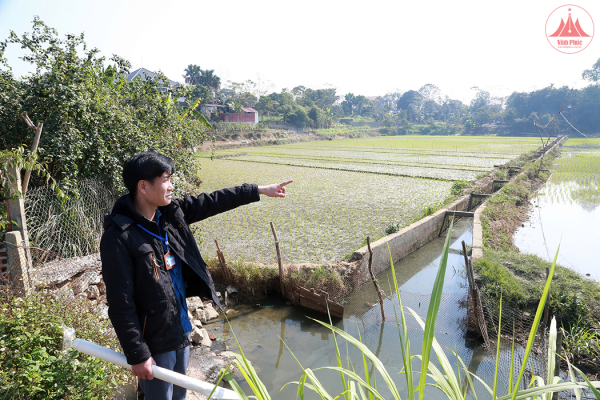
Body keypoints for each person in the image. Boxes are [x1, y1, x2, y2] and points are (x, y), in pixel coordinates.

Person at [100, 151, 292, 400]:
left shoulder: (169, 215)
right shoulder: (119, 237)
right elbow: (120, 304)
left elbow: (213, 200)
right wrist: (138, 353)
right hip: (155, 340)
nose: (171, 187)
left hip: (181, 328)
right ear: (143, 186)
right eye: (166, 180)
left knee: (180, 396)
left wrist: (259, 190)